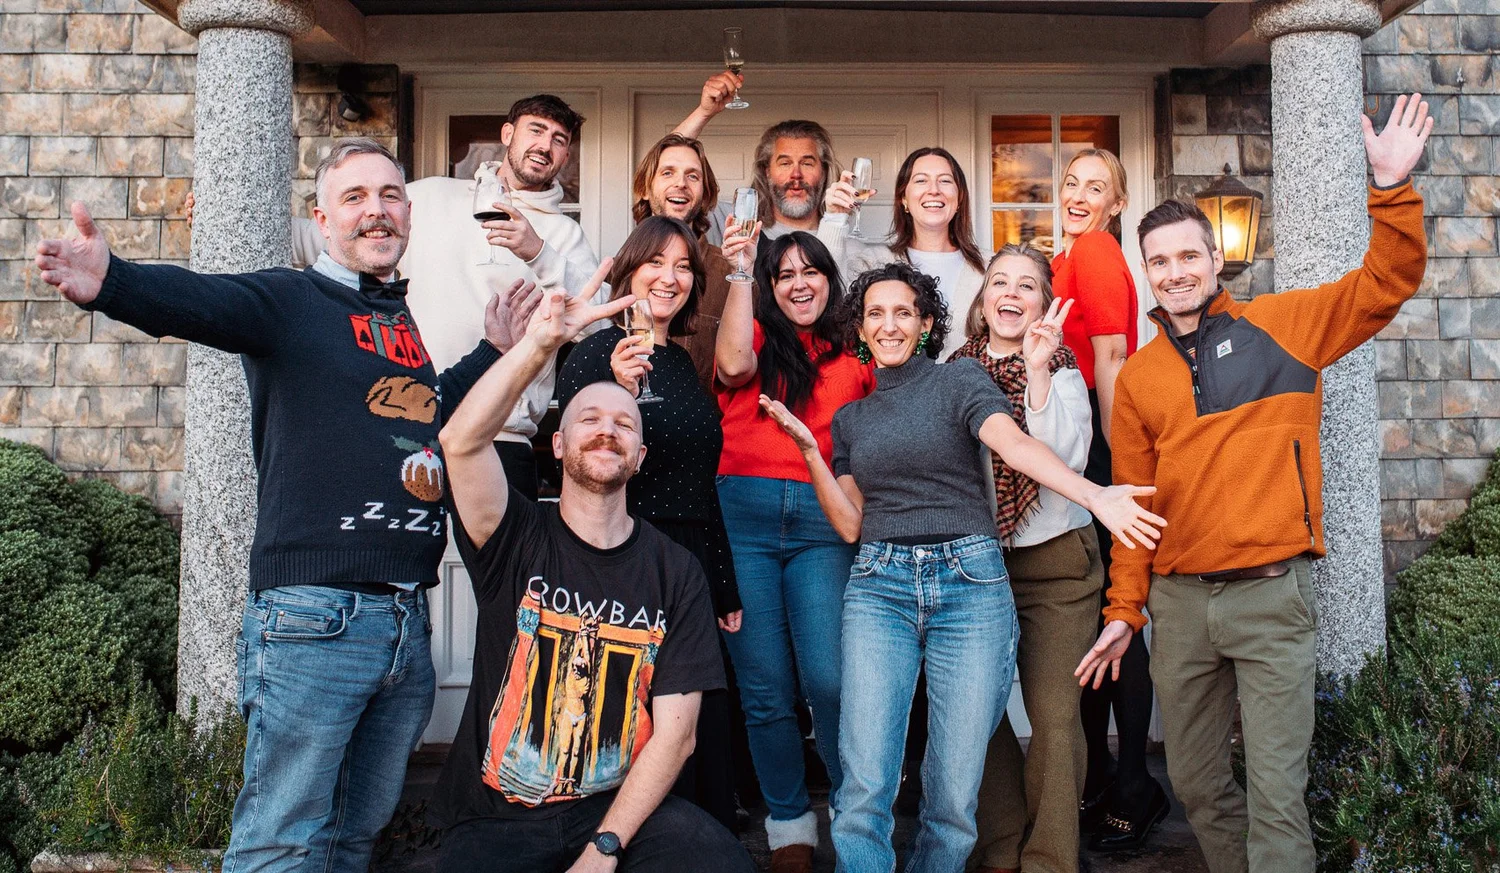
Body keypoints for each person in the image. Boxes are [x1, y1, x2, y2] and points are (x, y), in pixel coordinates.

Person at [35, 138, 503, 873]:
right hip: (317, 620)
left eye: (390, 195)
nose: (376, 210)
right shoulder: (292, 301)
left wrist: (496, 349)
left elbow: (427, 410)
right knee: (280, 841)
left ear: (408, 214)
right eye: (354, 197)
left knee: (352, 839)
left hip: (404, 621)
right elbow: (202, 303)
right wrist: (115, 282)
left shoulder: (395, 321)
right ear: (321, 219)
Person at [1074, 93, 1433, 873]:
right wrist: (1125, 609)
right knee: (1199, 786)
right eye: (1159, 262)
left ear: (1215, 260)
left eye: (1188, 257)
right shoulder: (1137, 380)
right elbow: (1132, 512)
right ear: (1146, 272)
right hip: (1180, 606)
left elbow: (1387, 281)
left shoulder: (1284, 327)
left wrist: (1391, 186)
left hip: (1271, 598)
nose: (1175, 272)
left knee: (1276, 796)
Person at [762, 261, 1163, 873]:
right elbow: (849, 524)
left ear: (925, 324)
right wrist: (811, 454)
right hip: (880, 587)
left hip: (969, 579)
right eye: (875, 314)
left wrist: (1095, 495)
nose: (889, 325)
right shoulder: (851, 420)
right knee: (866, 781)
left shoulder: (959, 379)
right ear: (860, 330)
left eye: (903, 313)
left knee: (953, 794)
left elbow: (1015, 444)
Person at [432, 263, 756, 873]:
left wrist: (605, 848)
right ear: (557, 445)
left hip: (617, 811)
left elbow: (678, 735)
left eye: (624, 424)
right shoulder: (514, 535)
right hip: (498, 818)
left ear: (640, 456)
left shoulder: (675, 571)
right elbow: (460, 442)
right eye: (589, 419)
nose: (607, 431)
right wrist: (540, 344)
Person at [289, 95, 603, 499]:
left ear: (566, 155)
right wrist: (227, 214)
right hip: (409, 425)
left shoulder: (563, 235)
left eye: (559, 140)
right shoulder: (432, 195)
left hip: (501, 436)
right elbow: (319, 239)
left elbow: (596, 320)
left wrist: (537, 252)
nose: (545, 145)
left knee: (503, 545)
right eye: (537, 131)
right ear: (508, 134)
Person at [555, 216, 745, 829]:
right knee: (626, 708)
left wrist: (723, 583)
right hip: (623, 556)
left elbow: (702, 483)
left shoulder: (684, 363)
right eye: (655, 263)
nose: (670, 277)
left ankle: (695, 836)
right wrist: (616, 388)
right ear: (629, 271)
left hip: (690, 561)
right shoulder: (594, 353)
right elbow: (578, 460)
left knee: (690, 711)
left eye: (683, 266)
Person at [714, 232, 873, 873]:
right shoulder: (753, 335)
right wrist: (738, 272)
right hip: (743, 520)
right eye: (783, 275)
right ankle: (789, 829)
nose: (799, 284)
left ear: (831, 280)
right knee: (765, 690)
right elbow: (731, 368)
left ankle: (855, 817)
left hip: (822, 522)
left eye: (812, 272)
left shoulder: (855, 350)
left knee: (831, 682)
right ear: (768, 286)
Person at [950, 246, 1102, 873]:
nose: (1010, 294)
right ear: (983, 299)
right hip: (975, 566)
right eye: (999, 282)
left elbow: (1068, 461)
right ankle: (1002, 848)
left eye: (1026, 286)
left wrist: (1036, 372)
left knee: (1056, 720)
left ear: (1043, 303)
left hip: (1057, 566)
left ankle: (1049, 860)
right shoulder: (952, 372)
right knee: (977, 717)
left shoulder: (1061, 369)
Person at [1045, 146, 1163, 851]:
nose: (1080, 195)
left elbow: (1113, 356)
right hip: (1081, 438)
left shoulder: (1093, 250)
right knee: (1094, 612)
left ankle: (1134, 784)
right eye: (1072, 183)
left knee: (1117, 614)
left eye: (1097, 187)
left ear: (1117, 204)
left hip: (1100, 439)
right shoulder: (1068, 255)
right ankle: (1098, 778)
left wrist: (1117, 462)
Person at [818, 146, 988, 359]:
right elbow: (825, 292)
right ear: (904, 198)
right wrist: (835, 218)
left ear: (960, 197)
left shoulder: (990, 268)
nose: (934, 190)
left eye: (945, 181)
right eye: (921, 180)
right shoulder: (875, 261)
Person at [629, 133, 754, 389]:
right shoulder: (624, 268)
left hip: (704, 413)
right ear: (644, 190)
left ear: (705, 195)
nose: (681, 183)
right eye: (667, 173)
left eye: (693, 176)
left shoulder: (732, 274)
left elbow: (739, 371)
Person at [674, 73, 836, 244]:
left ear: (823, 171)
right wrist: (704, 113)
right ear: (767, 171)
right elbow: (664, 171)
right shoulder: (733, 222)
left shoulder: (843, 236)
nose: (796, 174)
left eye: (807, 163)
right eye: (785, 163)